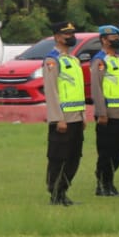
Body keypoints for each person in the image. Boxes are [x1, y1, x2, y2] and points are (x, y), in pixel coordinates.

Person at [43, 20, 85, 206]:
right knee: (59, 157)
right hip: (63, 119)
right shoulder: (53, 60)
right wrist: (58, 118)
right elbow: (52, 92)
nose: (71, 37)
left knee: (74, 157)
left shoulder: (73, 60)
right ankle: (55, 193)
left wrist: (83, 115)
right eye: (67, 34)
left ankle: (63, 191)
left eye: (72, 33)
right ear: (58, 37)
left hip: (76, 116)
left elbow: (78, 90)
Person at [89, 24, 119, 196]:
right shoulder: (100, 61)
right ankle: (102, 184)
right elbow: (97, 88)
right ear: (104, 40)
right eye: (113, 38)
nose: (117, 41)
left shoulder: (117, 60)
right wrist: (101, 112)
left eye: (118, 38)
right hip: (108, 113)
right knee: (106, 150)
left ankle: (110, 183)